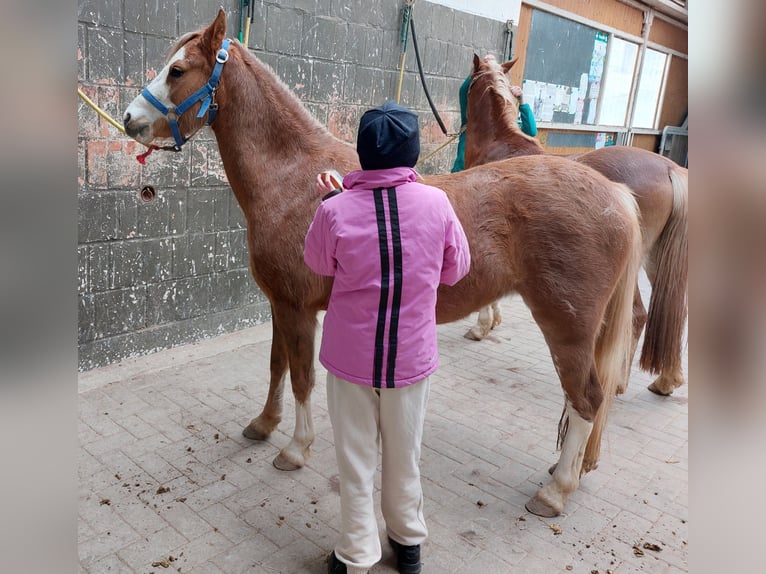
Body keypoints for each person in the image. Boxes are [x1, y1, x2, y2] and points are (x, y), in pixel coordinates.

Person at [304, 101, 471, 574]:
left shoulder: (334, 209)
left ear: (361, 153)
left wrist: (329, 204)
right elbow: (457, 269)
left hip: (349, 359)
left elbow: (318, 264)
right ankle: (408, 542)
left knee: (355, 458)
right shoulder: (438, 203)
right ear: (414, 153)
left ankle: (357, 553)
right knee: (406, 452)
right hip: (411, 358)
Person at [451, 59, 538, 172]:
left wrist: (522, 100)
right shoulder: (471, 119)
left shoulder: (507, 124)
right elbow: (464, 90)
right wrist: (482, 68)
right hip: (463, 171)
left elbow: (531, 131)